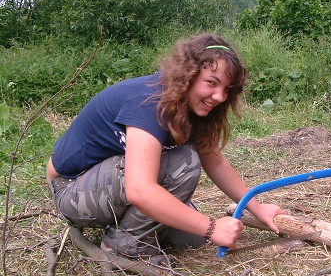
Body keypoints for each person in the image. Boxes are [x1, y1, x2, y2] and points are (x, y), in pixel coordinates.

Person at [46, 33, 286, 261]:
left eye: (226, 90)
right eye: (211, 83)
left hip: (105, 185)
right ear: (188, 74)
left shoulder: (187, 105)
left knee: (189, 237)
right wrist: (211, 227)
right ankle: (124, 245)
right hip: (72, 191)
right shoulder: (149, 102)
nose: (219, 97)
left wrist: (257, 208)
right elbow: (139, 189)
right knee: (184, 161)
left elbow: (216, 162)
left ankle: (130, 230)